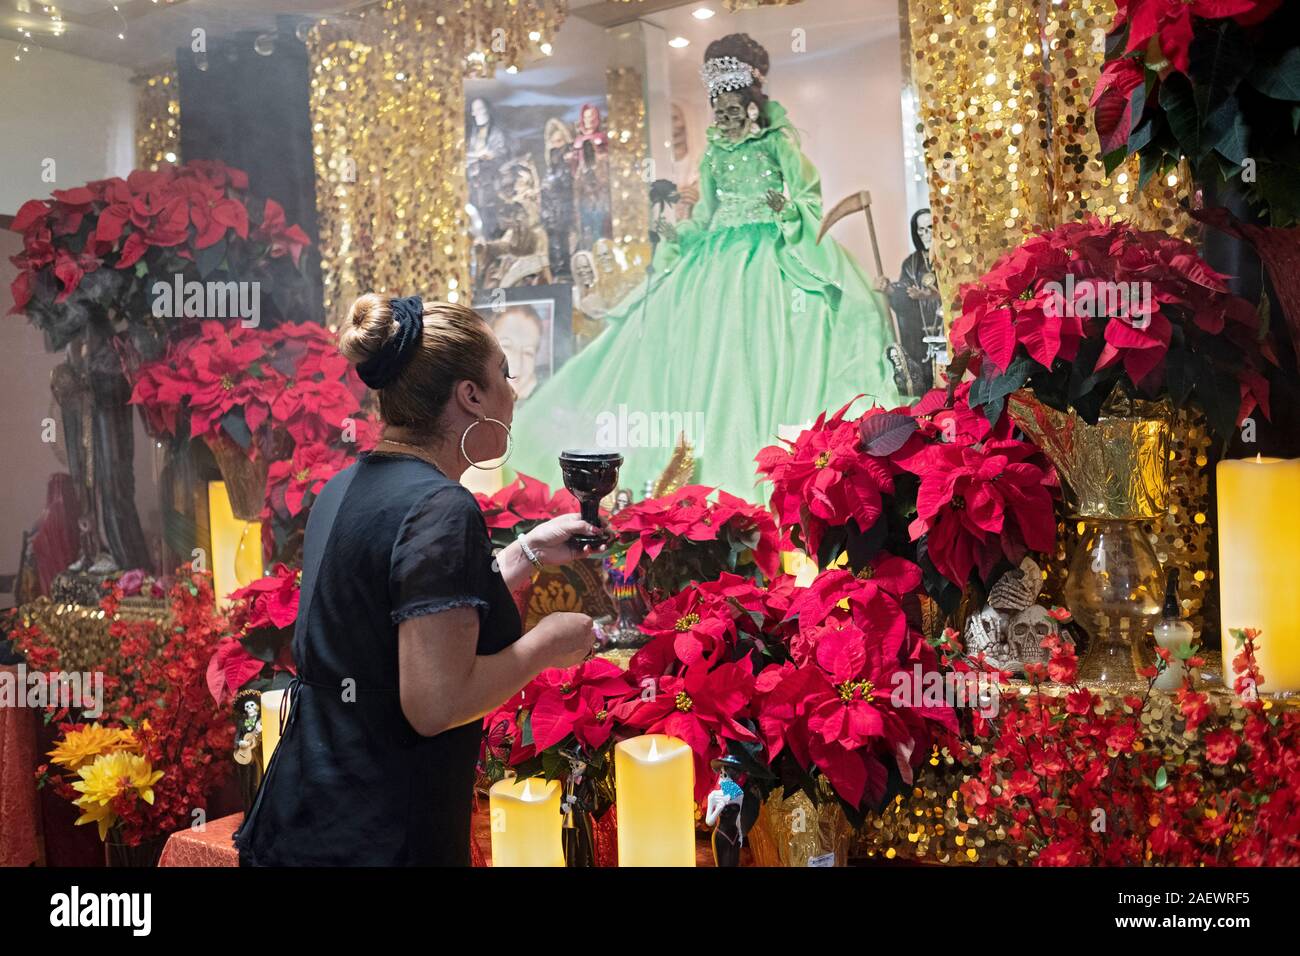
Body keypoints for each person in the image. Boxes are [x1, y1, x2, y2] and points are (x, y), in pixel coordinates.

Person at [234, 295, 604, 866]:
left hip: (310, 820)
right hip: (384, 837)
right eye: (503, 374)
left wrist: (526, 551)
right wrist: (546, 645)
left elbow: (406, 619)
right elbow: (435, 702)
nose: (513, 392)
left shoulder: (346, 486)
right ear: (470, 395)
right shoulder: (441, 507)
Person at [508, 34, 900, 501]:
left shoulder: (777, 143)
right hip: (713, 255)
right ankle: (683, 480)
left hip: (769, 252)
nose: (725, 113)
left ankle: (778, 479)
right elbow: (707, 212)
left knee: (766, 350)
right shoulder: (714, 153)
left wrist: (786, 211)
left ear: (749, 101)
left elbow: (808, 198)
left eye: (732, 103)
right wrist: (681, 235)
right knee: (693, 355)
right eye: (719, 104)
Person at [874, 208, 942, 394]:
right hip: (920, 340)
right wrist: (889, 289)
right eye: (921, 230)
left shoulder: (948, 257)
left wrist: (929, 296)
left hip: (946, 333)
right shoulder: (911, 264)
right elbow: (903, 296)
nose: (926, 234)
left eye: (930, 228)